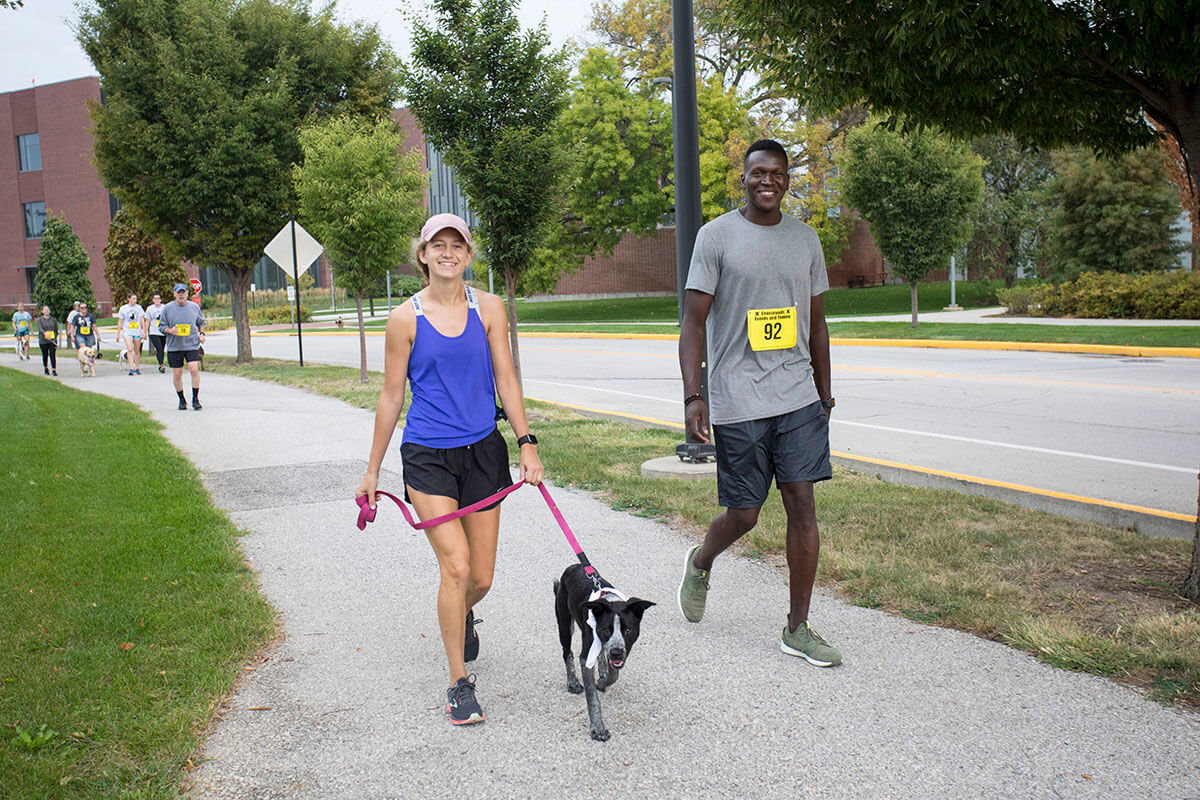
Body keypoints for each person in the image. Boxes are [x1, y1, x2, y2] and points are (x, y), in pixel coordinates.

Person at [355, 213, 544, 726]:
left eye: (455, 245)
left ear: (467, 255)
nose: (446, 252)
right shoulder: (404, 319)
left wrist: (527, 444)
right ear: (422, 255)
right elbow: (392, 394)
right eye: (436, 245)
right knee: (456, 567)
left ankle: (461, 614)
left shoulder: (490, 308)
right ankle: (459, 683)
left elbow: (506, 375)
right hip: (427, 456)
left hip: (484, 451)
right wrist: (372, 470)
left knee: (480, 577)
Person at [677, 139, 841, 668]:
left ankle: (797, 627)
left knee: (802, 504)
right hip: (739, 396)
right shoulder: (717, 237)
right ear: (743, 178)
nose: (767, 181)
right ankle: (702, 560)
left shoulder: (805, 240)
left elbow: (816, 324)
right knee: (744, 514)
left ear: (787, 178)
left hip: (796, 394)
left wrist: (824, 390)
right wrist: (694, 396)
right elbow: (693, 322)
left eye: (776, 173)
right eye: (757, 173)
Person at [160, 283, 206, 410]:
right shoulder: (167, 308)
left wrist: (201, 334)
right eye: (178, 292)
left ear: (187, 294)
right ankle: (181, 399)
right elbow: (161, 327)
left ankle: (195, 398)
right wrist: (170, 330)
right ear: (174, 294)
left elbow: (201, 322)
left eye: (183, 292)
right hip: (175, 346)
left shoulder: (194, 307)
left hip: (191, 344)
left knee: (193, 368)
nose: (181, 295)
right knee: (177, 372)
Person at [117, 292, 147, 375]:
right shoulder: (123, 308)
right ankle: (131, 368)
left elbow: (142, 320)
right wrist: (118, 333)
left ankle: (137, 367)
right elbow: (120, 321)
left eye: (136, 299)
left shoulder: (139, 308)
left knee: (137, 351)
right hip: (127, 331)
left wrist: (144, 331)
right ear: (129, 299)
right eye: (133, 299)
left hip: (137, 331)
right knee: (130, 349)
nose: (135, 300)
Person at [145, 293, 167, 373]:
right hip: (153, 331)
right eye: (155, 298)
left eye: (158, 298)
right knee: (159, 348)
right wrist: (145, 332)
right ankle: (161, 364)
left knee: (162, 348)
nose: (157, 300)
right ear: (153, 300)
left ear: (161, 300)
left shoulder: (165, 308)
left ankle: (161, 363)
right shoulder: (150, 309)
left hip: (163, 331)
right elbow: (147, 321)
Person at [35, 306, 58, 376]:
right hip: (43, 340)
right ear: (42, 312)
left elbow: (55, 330)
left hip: (52, 340)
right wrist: (45, 334)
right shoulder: (39, 320)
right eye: (45, 310)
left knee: (52, 354)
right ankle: (45, 368)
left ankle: (54, 369)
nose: (47, 311)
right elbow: (40, 329)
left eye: (48, 310)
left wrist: (54, 338)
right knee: (45, 355)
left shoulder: (53, 320)